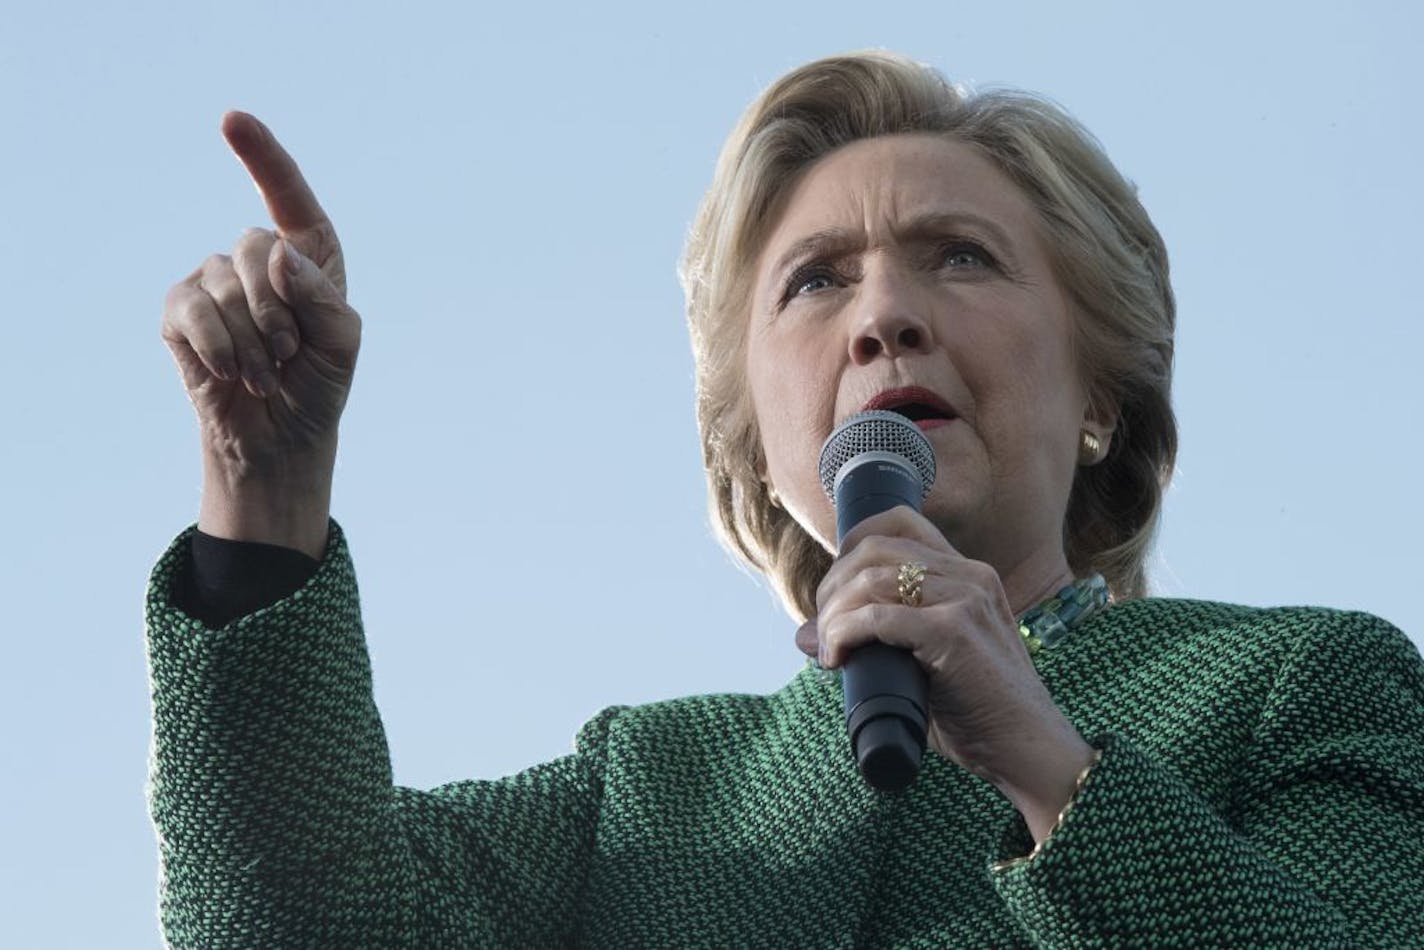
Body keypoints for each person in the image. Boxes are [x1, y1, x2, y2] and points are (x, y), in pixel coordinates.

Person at [147, 50, 1424, 947]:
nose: (882, 317)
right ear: (759, 449)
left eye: (959, 256)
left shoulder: (1301, 682)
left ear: (1100, 395)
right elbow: (290, 925)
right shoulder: (645, 785)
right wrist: (264, 489)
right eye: (813, 282)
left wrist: (1051, 768)